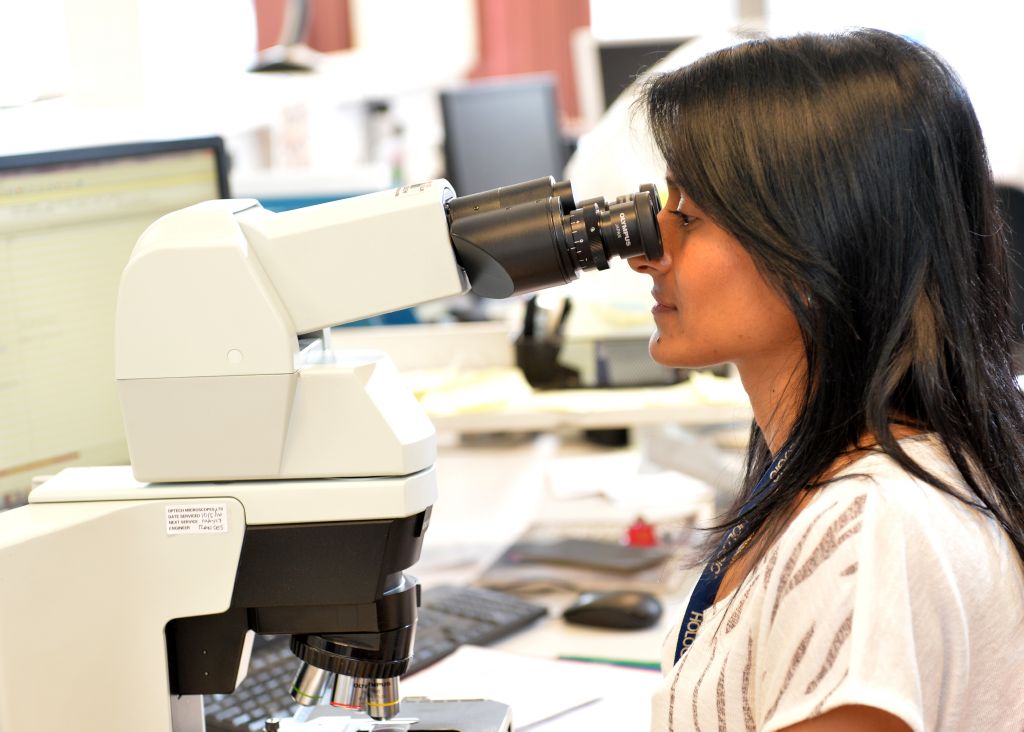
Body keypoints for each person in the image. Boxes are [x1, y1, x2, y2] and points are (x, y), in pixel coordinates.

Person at [627, 28, 1024, 731]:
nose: (646, 252)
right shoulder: (885, 478)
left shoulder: (866, 532)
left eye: (688, 212)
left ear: (814, 246)